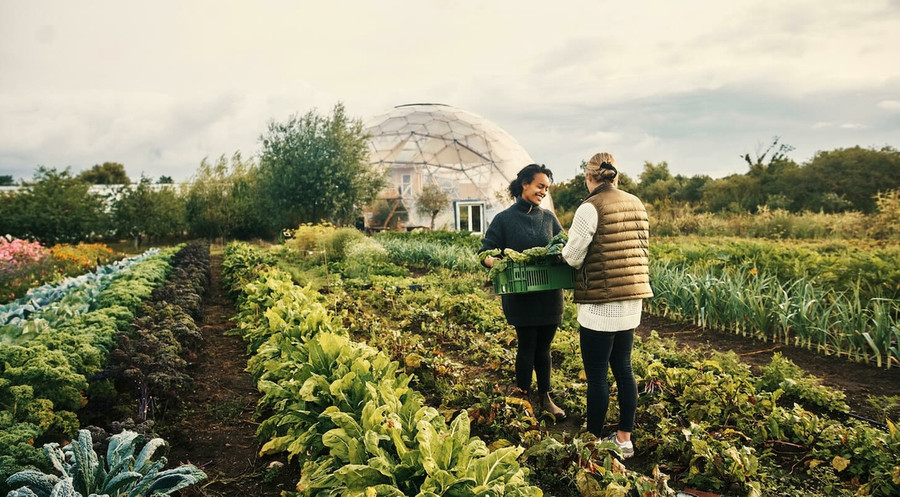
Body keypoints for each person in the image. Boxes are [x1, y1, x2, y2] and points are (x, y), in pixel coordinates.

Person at [561, 152, 653, 458]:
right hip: (631, 299)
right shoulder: (636, 203)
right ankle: (624, 440)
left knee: (597, 375)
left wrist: (562, 253)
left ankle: (593, 443)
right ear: (615, 175)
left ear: (589, 177)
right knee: (624, 368)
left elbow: (573, 256)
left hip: (600, 304)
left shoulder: (590, 207)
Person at [479, 163, 567, 420]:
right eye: (540, 186)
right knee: (527, 346)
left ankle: (546, 398)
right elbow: (485, 251)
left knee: (544, 348)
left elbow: (564, 244)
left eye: (546, 188)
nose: (543, 192)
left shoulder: (549, 218)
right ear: (524, 184)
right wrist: (493, 261)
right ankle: (523, 398)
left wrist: (562, 254)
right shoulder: (504, 219)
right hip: (520, 296)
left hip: (549, 296)